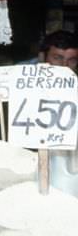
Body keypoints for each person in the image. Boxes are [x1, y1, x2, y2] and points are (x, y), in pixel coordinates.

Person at [40, 30, 78, 197]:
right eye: (57, 58)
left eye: (72, 61)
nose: (64, 67)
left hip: (65, 165)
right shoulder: (23, 79)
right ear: (43, 57)